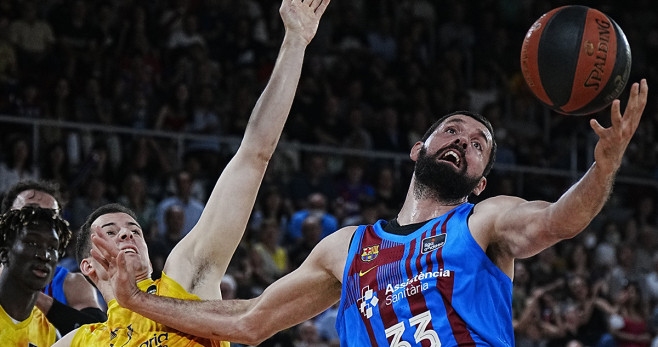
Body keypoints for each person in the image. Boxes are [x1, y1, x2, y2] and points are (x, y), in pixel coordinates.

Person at [92, 76, 648, 346]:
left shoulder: (486, 222)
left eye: (478, 143)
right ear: (417, 150)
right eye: (451, 130)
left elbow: (560, 220)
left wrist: (603, 167)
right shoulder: (344, 248)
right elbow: (251, 321)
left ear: (480, 182)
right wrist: (137, 300)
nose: (462, 141)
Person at [52, 0, 329, 345]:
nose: (127, 235)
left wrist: (294, 41)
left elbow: (253, 156)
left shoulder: (183, 278)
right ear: (89, 266)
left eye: (134, 229)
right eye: (111, 231)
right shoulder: (76, 341)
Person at [0, 180, 107, 335]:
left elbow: (98, 334)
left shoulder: (69, 283)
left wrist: (27, 293)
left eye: (52, 217)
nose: (42, 222)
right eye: (30, 212)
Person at [0, 205, 71, 346]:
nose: (44, 256)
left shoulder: (50, 335)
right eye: (32, 243)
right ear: (4, 254)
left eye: (52, 248)